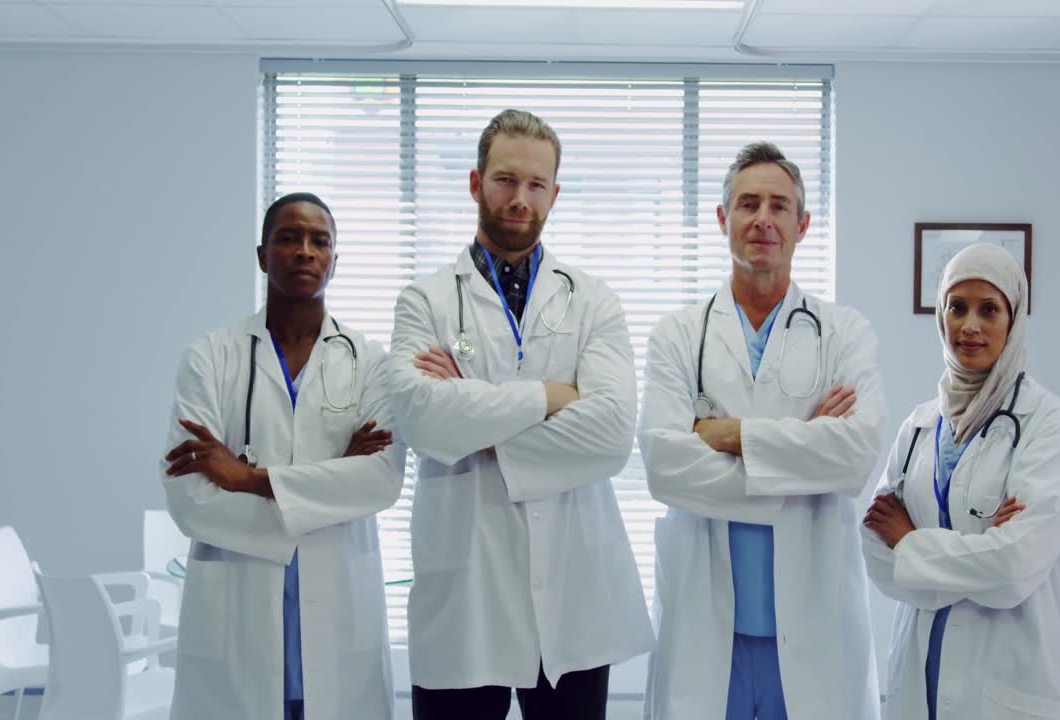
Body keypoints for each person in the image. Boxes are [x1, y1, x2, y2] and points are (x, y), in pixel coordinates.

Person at [388, 109, 652, 720]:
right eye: (505, 180)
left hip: (573, 592)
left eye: (536, 185)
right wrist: (553, 396)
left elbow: (612, 433)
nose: (520, 199)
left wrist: (476, 425)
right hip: (466, 592)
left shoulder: (592, 299)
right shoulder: (424, 299)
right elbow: (423, 417)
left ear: (554, 193)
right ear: (476, 182)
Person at [639, 141, 885, 720]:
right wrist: (802, 452)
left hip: (812, 624)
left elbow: (854, 458)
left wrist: (728, 434)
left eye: (779, 206)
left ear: (802, 224)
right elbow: (663, 466)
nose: (763, 219)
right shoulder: (678, 336)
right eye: (748, 203)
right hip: (707, 628)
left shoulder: (844, 333)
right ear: (723, 219)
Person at [160, 192, 407, 720]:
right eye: (288, 238)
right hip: (237, 619)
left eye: (320, 241)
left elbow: (381, 481)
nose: (304, 251)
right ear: (262, 255)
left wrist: (246, 477)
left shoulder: (369, 362)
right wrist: (331, 484)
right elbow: (189, 499)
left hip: (337, 617)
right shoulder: (212, 358)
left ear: (335, 261)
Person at [861, 243, 1060, 720]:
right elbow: (876, 554)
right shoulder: (918, 427)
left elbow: (1015, 568)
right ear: (940, 317)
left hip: (1007, 677)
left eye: (989, 309)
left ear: (1014, 318)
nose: (970, 325)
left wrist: (912, 545)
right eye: (957, 307)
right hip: (920, 676)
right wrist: (981, 550)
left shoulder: (1046, 422)